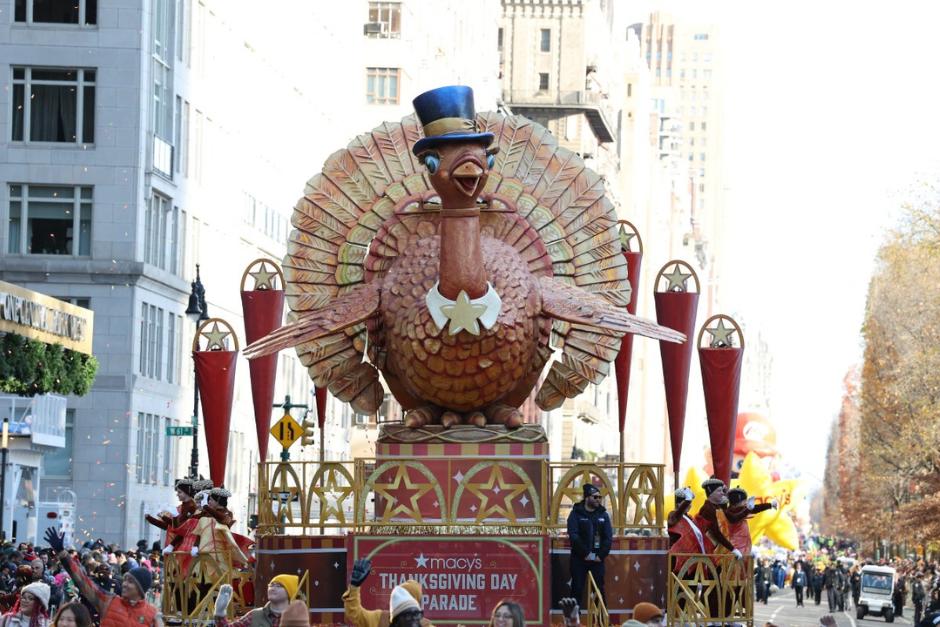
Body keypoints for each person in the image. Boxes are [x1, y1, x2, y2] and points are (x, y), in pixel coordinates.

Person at [43, 528, 158, 627]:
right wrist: (62, 553)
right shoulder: (109, 601)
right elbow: (83, 581)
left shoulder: (152, 614)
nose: (124, 584)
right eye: (125, 580)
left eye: (130, 582)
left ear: (141, 588)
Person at [342, 559, 431, 627]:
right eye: (407, 615)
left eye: (416, 614)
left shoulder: (425, 625)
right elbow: (356, 615)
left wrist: (354, 586)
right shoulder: (380, 619)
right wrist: (354, 586)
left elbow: (355, 614)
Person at [566, 483, 613, 607]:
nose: (598, 499)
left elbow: (608, 538)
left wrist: (600, 555)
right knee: (576, 589)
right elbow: (574, 536)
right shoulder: (575, 514)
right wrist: (586, 553)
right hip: (579, 559)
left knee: (598, 590)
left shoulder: (603, 515)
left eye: (600, 497)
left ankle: (601, 617)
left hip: (597, 560)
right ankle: (573, 617)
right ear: (587, 498)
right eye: (595, 497)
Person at [212, 574, 299, 626]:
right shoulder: (254, 615)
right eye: (271, 585)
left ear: (289, 592)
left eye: (279, 586)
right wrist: (220, 612)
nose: (273, 588)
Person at [667, 488, 705, 573]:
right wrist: (687, 500)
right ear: (678, 504)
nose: (689, 505)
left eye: (690, 503)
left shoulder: (690, 518)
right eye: (686, 503)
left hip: (691, 556)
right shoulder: (673, 515)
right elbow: (679, 512)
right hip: (677, 556)